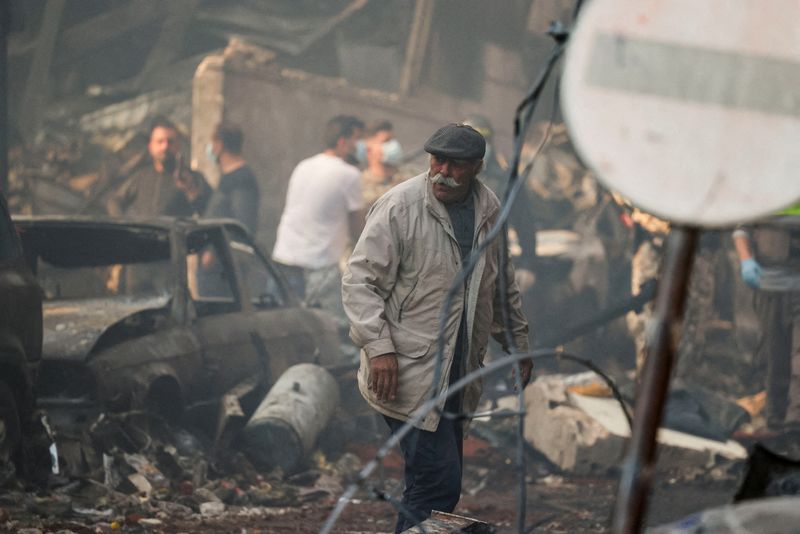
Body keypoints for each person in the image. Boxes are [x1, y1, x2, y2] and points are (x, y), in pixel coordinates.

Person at [342, 123, 531, 531]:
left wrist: (517, 344)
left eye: (455, 164)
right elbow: (360, 282)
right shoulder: (399, 206)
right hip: (405, 373)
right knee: (437, 481)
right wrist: (379, 348)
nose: (442, 170)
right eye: (436, 159)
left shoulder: (489, 209)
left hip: (458, 374)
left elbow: (501, 284)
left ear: (477, 168)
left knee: (432, 485)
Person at [272, 115, 365, 326]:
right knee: (332, 331)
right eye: (356, 140)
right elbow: (359, 226)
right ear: (342, 141)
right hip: (318, 268)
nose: (358, 147)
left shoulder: (304, 165)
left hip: (283, 259)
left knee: (283, 327)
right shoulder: (349, 174)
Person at [733, 210, 800, 431]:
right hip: (770, 286)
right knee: (775, 356)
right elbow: (742, 228)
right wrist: (746, 261)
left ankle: (795, 423)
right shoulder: (769, 187)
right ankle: (776, 423)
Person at [108, 116, 210, 218]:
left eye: (170, 142)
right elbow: (114, 201)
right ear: (151, 147)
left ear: (178, 145)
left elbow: (211, 211)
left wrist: (190, 190)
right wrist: (124, 224)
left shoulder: (193, 178)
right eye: (160, 141)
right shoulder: (141, 177)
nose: (165, 147)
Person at [204, 122, 260, 235]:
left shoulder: (242, 179)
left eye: (212, 142)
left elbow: (242, 226)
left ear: (219, 145)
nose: (210, 147)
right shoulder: (228, 176)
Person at [360, 120, 411, 208]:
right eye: (386, 141)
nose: (394, 146)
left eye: (393, 140)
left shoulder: (411, 178)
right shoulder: (360, 185)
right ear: (368, 149)